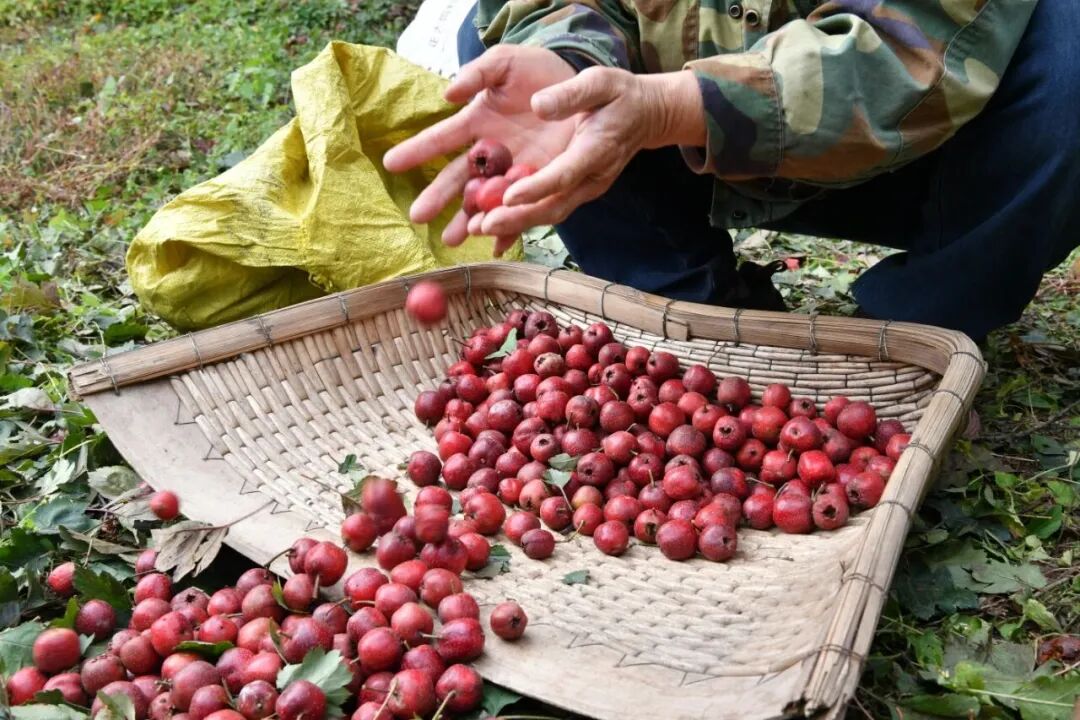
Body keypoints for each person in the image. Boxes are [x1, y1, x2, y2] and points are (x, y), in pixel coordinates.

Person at [383, 0, 1079, 341]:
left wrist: (672, 108)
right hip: (681, 144)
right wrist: (569, 64)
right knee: (508, 48)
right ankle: (694, 310)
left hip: (922, 148)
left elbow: (907, 55)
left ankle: (915, 337)